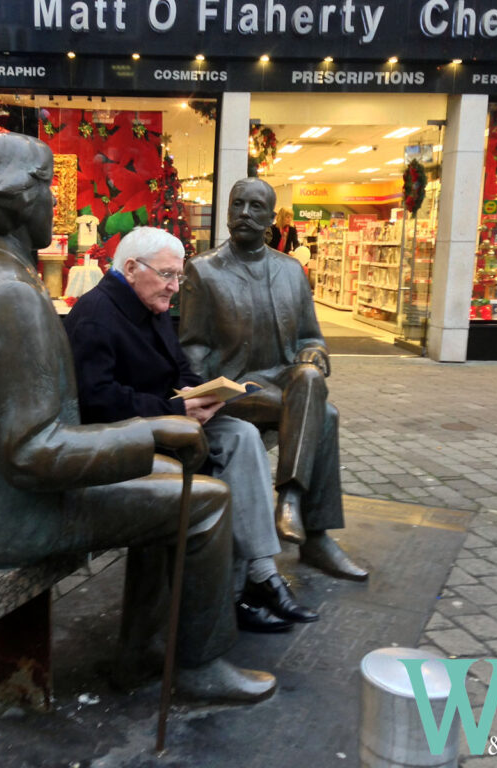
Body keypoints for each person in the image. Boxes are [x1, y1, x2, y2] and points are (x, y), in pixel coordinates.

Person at [0, 133, 275, 703]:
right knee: (204, 501)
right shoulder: (11, 291)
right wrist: (154, 430)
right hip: (20, 518)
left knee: (166, 484)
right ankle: (198, 662)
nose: (53, 203)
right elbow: (32, 453)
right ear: (21, 198)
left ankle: (142, 649)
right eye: (47, 190)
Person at [65, 227, 318, 634]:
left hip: (170, 423)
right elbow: (96, 401)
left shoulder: (149, 304)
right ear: (131, 268)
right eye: (168, 275)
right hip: (127, 439)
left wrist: (195, 391)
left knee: (242, 435)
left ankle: (261, 571)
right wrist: (174, 407)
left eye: (178, 276)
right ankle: (237, 592)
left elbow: (177, 367)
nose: (175, 287)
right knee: (229, 462)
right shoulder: (96, 316)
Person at [180, 177, 369, 581]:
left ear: (271, 218)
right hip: (233, 387)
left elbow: (311, 336)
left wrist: (313, 354)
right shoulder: (204, 270)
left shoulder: (291, 271)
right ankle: (312, 533)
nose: (244, 214)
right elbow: (193, 345)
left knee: (309, 379)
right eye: (237, 205)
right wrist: (195, 395)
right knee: (326, 416)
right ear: (228, 211)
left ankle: (290, 501)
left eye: (255, 207)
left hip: (282, 378)